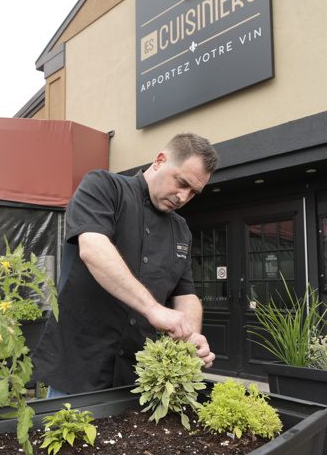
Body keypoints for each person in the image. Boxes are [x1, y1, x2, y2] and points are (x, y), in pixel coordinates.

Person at [34, 132, 219, 396]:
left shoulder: (181, 230)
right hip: (80, 366)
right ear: (159, 160)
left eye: (193, 193)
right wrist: (153, 308)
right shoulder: (104, 186)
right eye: (181, 182)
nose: (183, 197)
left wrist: (191, 335)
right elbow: (93, 248)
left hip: (137, 375)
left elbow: (185, 292)